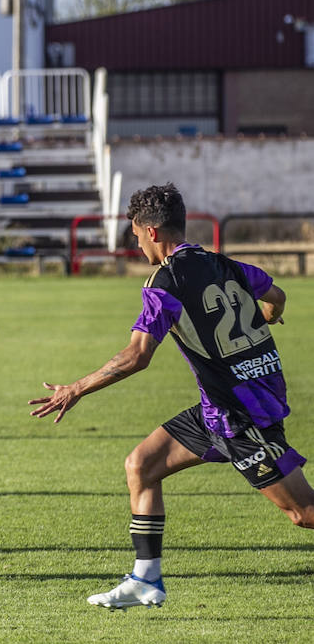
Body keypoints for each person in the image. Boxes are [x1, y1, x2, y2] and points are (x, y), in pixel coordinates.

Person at [31, 183, 314, 610]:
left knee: (303, 513)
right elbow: (276, 297)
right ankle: (145, 579)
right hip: (219, 409)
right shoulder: (225, 264)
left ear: (154, 231)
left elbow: (137, 355)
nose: (135, 241)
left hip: (242, 416)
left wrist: (76, 388)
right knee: (141, 465)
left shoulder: (165, 281)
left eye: (136, 233)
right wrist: (266, 321)